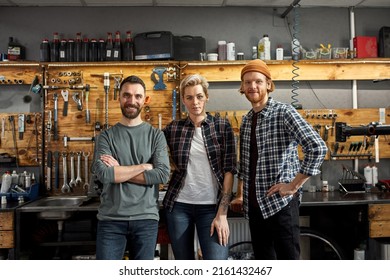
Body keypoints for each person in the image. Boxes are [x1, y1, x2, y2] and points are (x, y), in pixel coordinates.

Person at [230, 59, 328, 260]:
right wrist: (240, 195)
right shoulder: (247, 120)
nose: (252, 86)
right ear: (242, 87)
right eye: (247, 82)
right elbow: (245, 165)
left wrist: (293, 185)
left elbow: (318, 148)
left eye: (257, 81)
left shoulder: (284, 112)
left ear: (268, 84)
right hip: (254, 208)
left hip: (280, 205)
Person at [92, 75, 170, 260]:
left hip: (146, 219)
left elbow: (162, 174)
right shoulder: (105, 137)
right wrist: (144, 166)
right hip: (111, 220)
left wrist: (119, 170)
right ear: (119, 98)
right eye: (126, 95)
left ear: (145, 100)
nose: (131, 101)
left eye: (137, 96)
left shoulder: (156, 136)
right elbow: (104, 174)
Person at [163, 74, 237, 260]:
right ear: (183, 100)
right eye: (189, 97)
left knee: (217, 263)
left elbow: (229, 170)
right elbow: (149, 148)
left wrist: (222, 213)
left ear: (206, 97)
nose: (195, 102)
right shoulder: (173, 129)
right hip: (179, 206)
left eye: (199, 96)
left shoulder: (222, 126)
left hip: (212, 208)